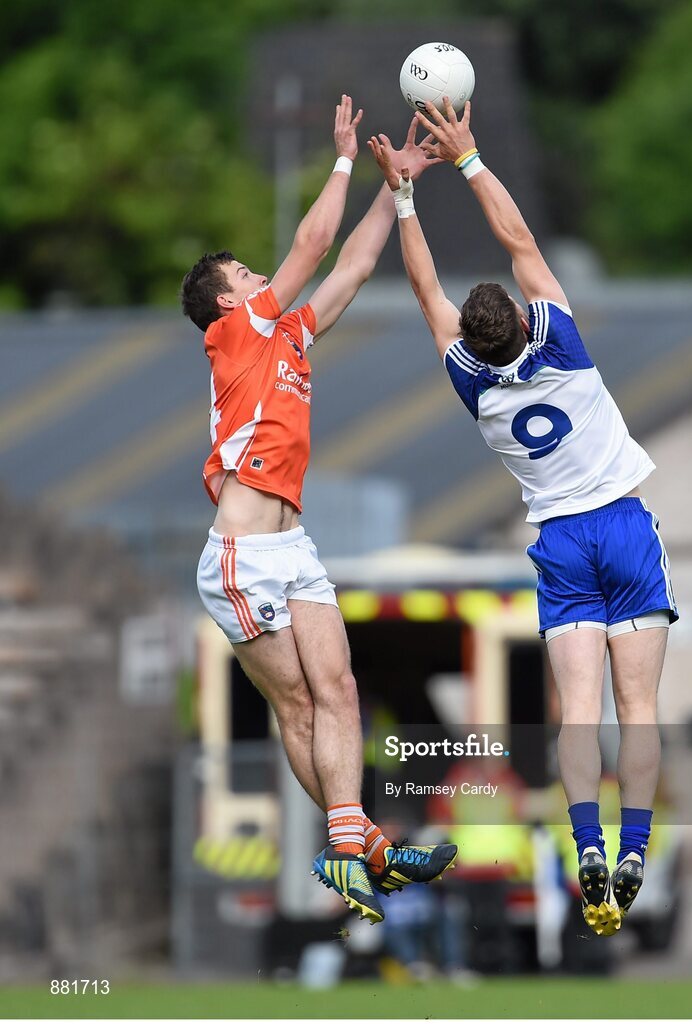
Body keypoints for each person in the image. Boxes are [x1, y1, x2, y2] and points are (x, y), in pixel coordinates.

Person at [368, 99, 678, 937]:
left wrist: (403, 195)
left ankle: (585, 848)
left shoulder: (469, 384)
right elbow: (520, 242)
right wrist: (467, 158)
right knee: (636, 709)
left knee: (578, 714)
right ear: (520, 321)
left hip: (559, 545)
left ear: (473, 341)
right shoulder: (562, 344)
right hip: (620, 523)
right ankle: (635, 850)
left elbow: (426, 289)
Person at [180, 96, 456, 925]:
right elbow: (310, 245)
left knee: (340, 691)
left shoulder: (288, 335)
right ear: (227, 305)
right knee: (298, 704)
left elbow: (354, 266)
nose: (262, 280)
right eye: (247, 279)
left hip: (293, 547)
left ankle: (355, 846)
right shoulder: (228, 338)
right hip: (239, 555)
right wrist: (340, 158)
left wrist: (395, 189)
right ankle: (353, 846)